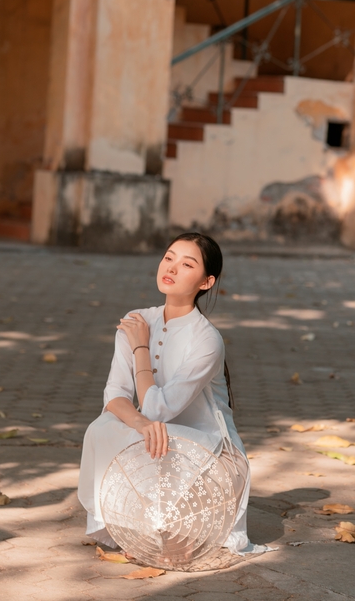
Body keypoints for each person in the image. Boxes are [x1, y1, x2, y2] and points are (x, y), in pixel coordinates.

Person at [77, 231, 267, 562]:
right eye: (169, 257)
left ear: (206, 282)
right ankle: (140, 528)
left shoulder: (207, 340)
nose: (172, 267)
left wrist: (140, 348)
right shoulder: (138, 320)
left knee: (153, 433)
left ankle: (175, 532)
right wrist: (140, 423)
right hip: (159, 439)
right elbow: (115, 395)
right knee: (102, 427)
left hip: (210, 451)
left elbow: (158, 408)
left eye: (187, 264)